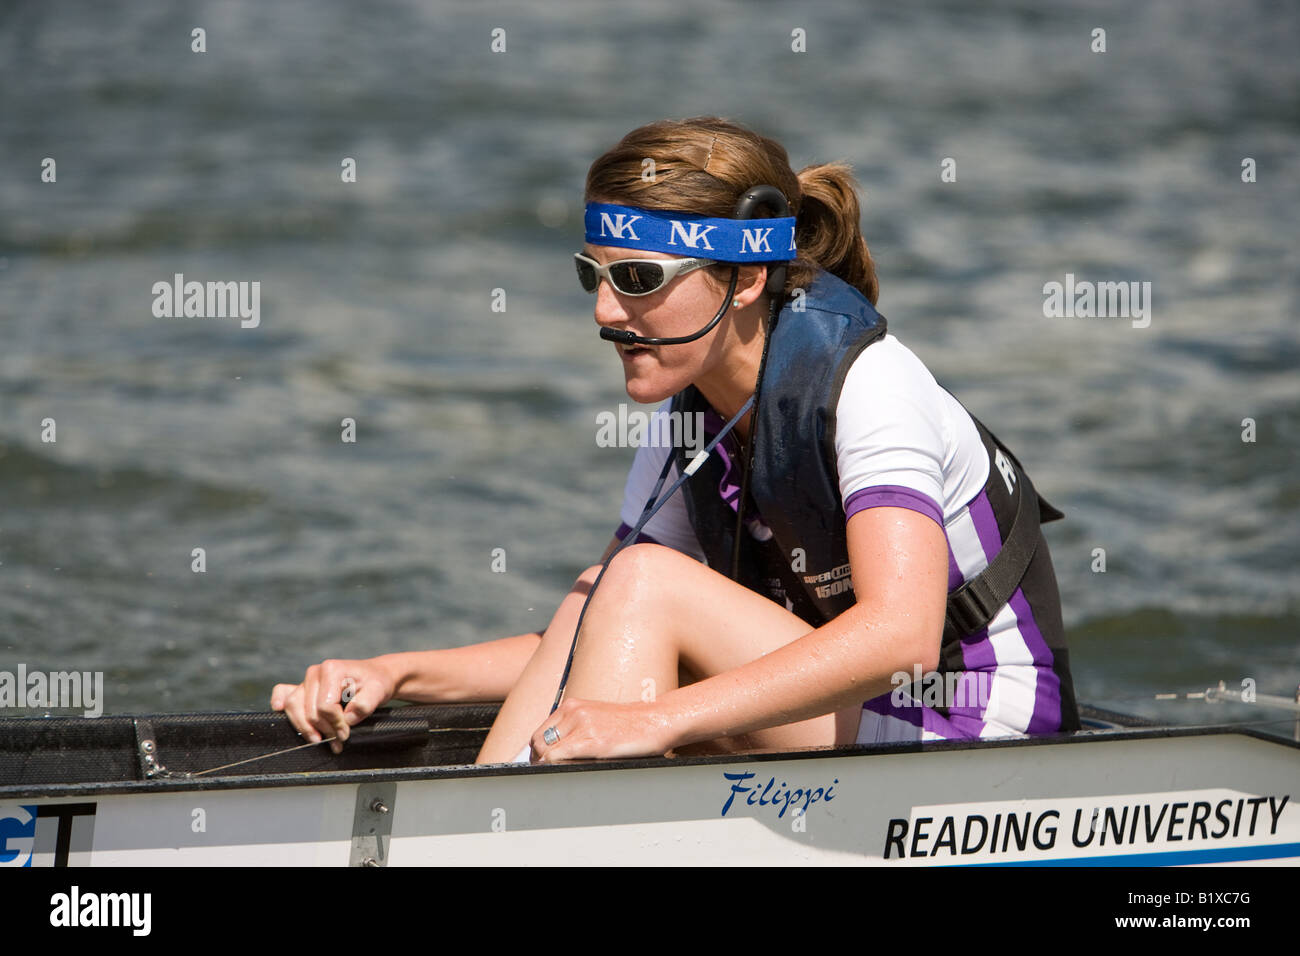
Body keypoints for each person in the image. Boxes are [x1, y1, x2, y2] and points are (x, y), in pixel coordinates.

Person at [271, 116, 1079, 764]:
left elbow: (898, 635)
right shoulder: (691, 417)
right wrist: (395, 673)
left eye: (639, 280)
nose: (605, 313)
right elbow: (596, 628)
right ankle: (496, 811)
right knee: (610, 583)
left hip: (976, 721)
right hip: (857, 714)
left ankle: (523, 828)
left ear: (747, 276)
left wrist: (657, 720)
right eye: (595, 276)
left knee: (644, 580)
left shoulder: (871, 387)